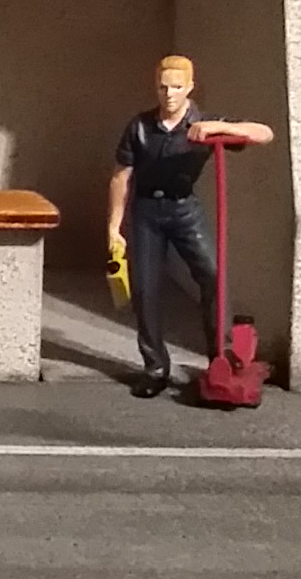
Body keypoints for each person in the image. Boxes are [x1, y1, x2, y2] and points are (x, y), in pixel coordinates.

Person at [109, 54, 275, 399]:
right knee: (145, 288)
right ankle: (155, 367)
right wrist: (114, 226)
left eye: (177, 87)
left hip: (184, 209)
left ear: (190, 87)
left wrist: (220, 129)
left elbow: (264, 134)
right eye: (163, 87)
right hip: (147, 211)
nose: (169, 94)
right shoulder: (139, 126)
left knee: (212, 275)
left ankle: (221, 357)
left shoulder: (202, 122)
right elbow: (121, 176)